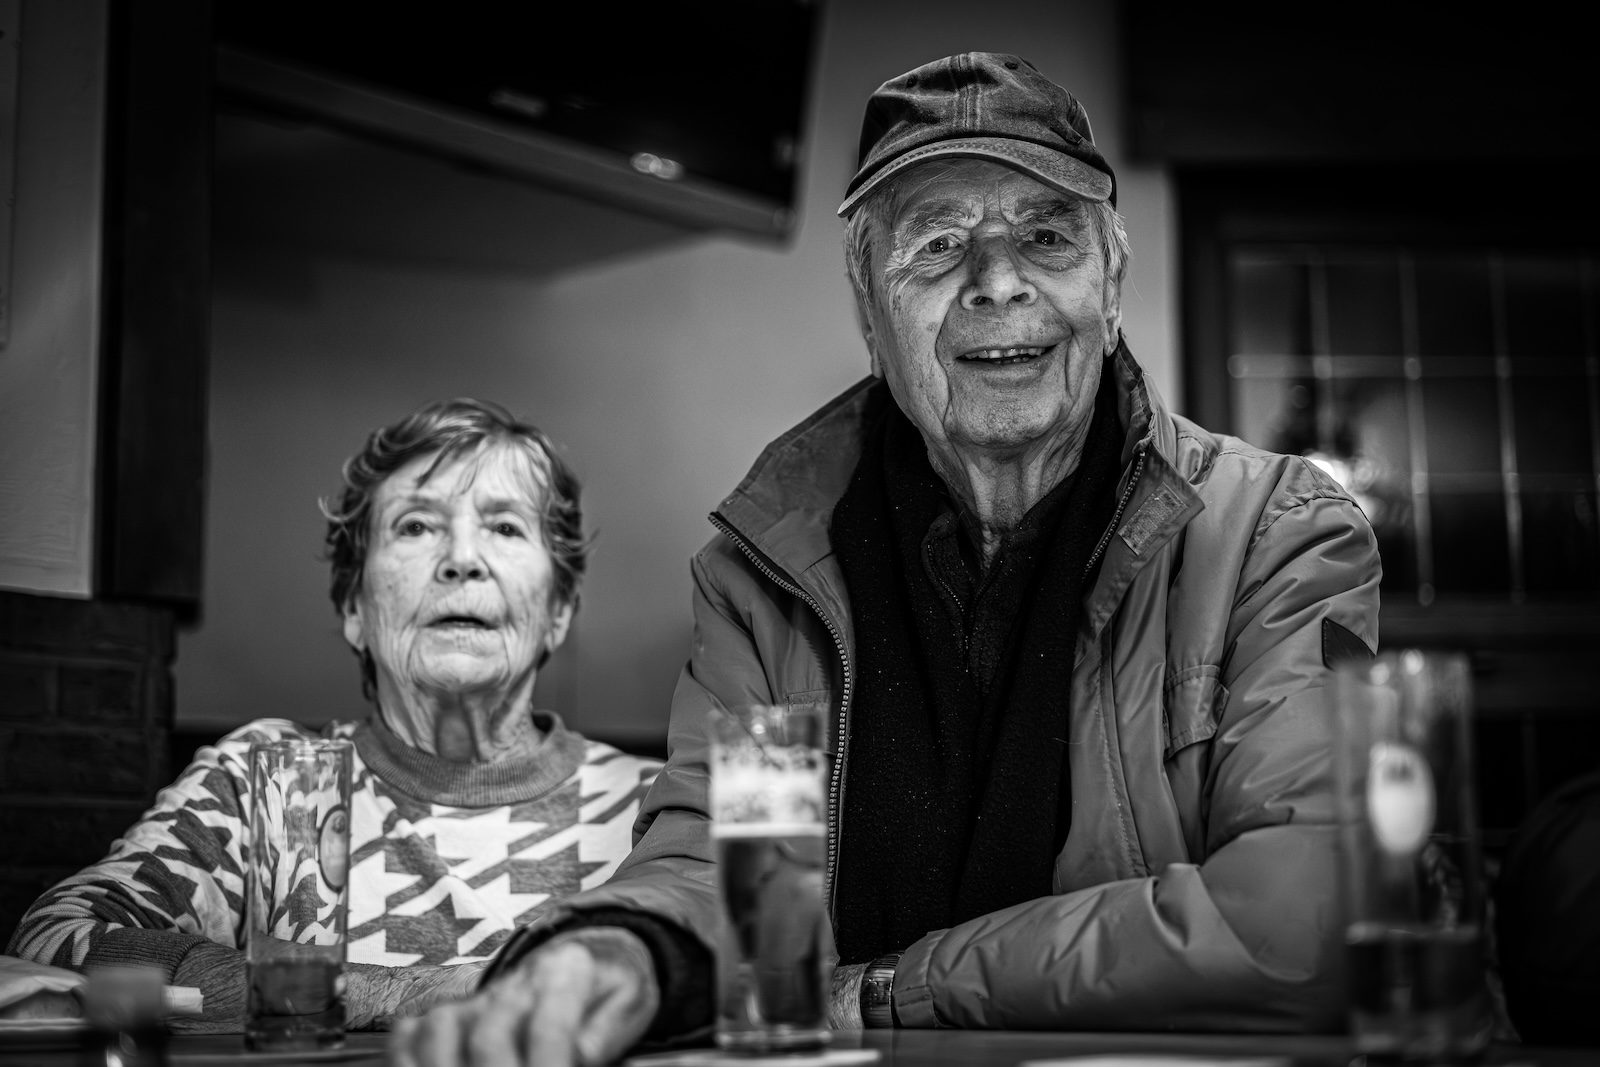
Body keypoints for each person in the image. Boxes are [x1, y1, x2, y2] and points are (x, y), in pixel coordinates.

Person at [394, 53, 1382, 1066]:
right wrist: (617, 953)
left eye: (1046, 236)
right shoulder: (761, 581)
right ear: (870, 313)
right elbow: (736, 882)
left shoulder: (1274, 531)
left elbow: (1300, 926)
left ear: (1111, 285)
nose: (998, 282)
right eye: (939, 244)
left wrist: (894, 989)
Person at [6, 398, 662, 1031]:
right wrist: (400, 992)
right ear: (353, 607)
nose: (462, 560)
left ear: (559, 611)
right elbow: (54, 941)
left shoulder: (658, 806)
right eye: (416, 526)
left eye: (506, 527)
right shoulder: (267, 782)